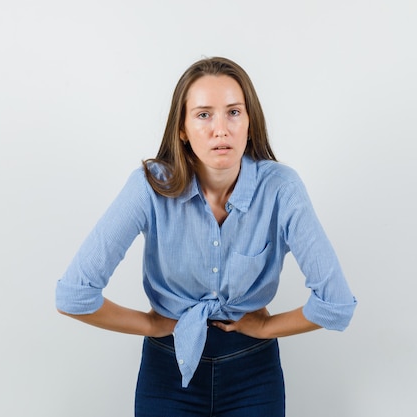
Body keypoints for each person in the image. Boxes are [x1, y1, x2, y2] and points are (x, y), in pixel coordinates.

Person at [56, 56, 357, 417]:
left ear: (249, 122)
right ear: (182, 128)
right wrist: (152, 323)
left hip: (253, 371)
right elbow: (74, 295)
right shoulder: (149, 188)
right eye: (203, 114)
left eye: (233, 112)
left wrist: (265, 327)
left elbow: (336, 304)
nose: (221, 129)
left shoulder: (281, 188)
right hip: (167, 370)